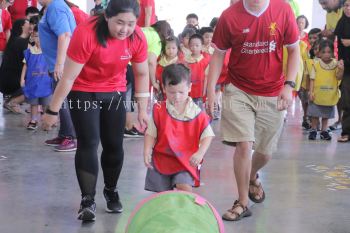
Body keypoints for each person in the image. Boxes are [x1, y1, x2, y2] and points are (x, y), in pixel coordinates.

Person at [42, 0, 149, 222]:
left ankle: (111, 190)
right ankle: (87, 200)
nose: (125, 29)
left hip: (115, 91)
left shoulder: (137, 37)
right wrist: (53, 110)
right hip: (83, 90)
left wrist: (142, 110)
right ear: (107, 17)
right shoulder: (86, 32)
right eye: (120, 22)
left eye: (131, 23)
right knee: (89, 142)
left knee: (113, 145)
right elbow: (69, 77)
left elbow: (141, 74)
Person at [207, 0, 300, 221]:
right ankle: (242, 202)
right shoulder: (229, 16)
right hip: (238, 89)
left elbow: (294, 50)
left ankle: (250, 175)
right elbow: (218, 54)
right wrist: (211, 89)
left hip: (272, 91)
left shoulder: (283, 9)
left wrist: (289, 85)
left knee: (265, 151)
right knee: (243, 144)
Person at [144, 63, 214, 193]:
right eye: (172, 92)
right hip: (162, 159)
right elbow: (150, 134)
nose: (176, 97)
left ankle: (187, 212)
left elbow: (208, 135)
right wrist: (147, 150)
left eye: (181, 92)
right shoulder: (158, 110)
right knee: (162, 196)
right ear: (164, 88)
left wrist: (200, 153)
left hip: (186, 160)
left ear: (189, 88)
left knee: (184, 188)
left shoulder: (197, 113)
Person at [38, 0, 77, 152]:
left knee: (62, 100)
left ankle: (71, 137)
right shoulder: (53, 7)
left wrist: (59, 64)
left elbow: (65, 35)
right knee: (59, 100)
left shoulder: (56, 7)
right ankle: (64, 133)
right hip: (57, 62)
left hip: (62, 64)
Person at [308, 40, 344, 140]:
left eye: (329, 52)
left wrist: (341, 69)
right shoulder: (316, 64)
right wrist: (311, 92)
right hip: (317, 94)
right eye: (323, 52)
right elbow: (312, 79)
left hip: (329, 95)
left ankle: (324, 130)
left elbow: (338, 77)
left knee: (326, 115)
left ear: (333, 52)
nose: (327, 54)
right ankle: (313, 129)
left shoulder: (336, 64)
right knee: (315, 114)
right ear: (319, 53)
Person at [20, 25, 53, 130]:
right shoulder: (29, 52)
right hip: (32, 83)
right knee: (33, 104)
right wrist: (22, 79)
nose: (39, 39)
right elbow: (25, 65)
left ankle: (47, 120)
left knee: (46, 103)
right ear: (32, 37)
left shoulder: (49, 51)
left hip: (46, 83)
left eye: (42, 36)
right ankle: (33, 120)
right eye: (36, 36)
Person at [0, 19, 31, 114]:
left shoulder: (15, 41)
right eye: (28, 23)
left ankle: (10, 101)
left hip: (6, 81)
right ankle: (13, 102)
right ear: (22, 27)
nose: (30, 24)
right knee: (37, 86)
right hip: (12, 82)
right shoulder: (22, 43)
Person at [334, 0, 350, 142]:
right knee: (346, 100)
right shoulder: (341, 23)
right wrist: (339, 60)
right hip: (346, 67)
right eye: (346, 5)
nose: (348, 8)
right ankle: (346, 132)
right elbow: (337, 44)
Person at [185, 34, 210, 110]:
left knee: (199, 111)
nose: (194, 47)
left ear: (202, 46)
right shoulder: (185, 61)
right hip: (187, 91)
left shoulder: (205, 61)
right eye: (192, 45)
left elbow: (206, 78)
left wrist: (205, 92)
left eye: (197, 45)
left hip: (200, 92)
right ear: (189, 46)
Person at [0, 0, 12, 66]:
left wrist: (9, 46)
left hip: (1, 46)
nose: (9, 5)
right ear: (3, 1)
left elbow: (7, 31)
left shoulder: (6, 13)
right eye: (9, 3)